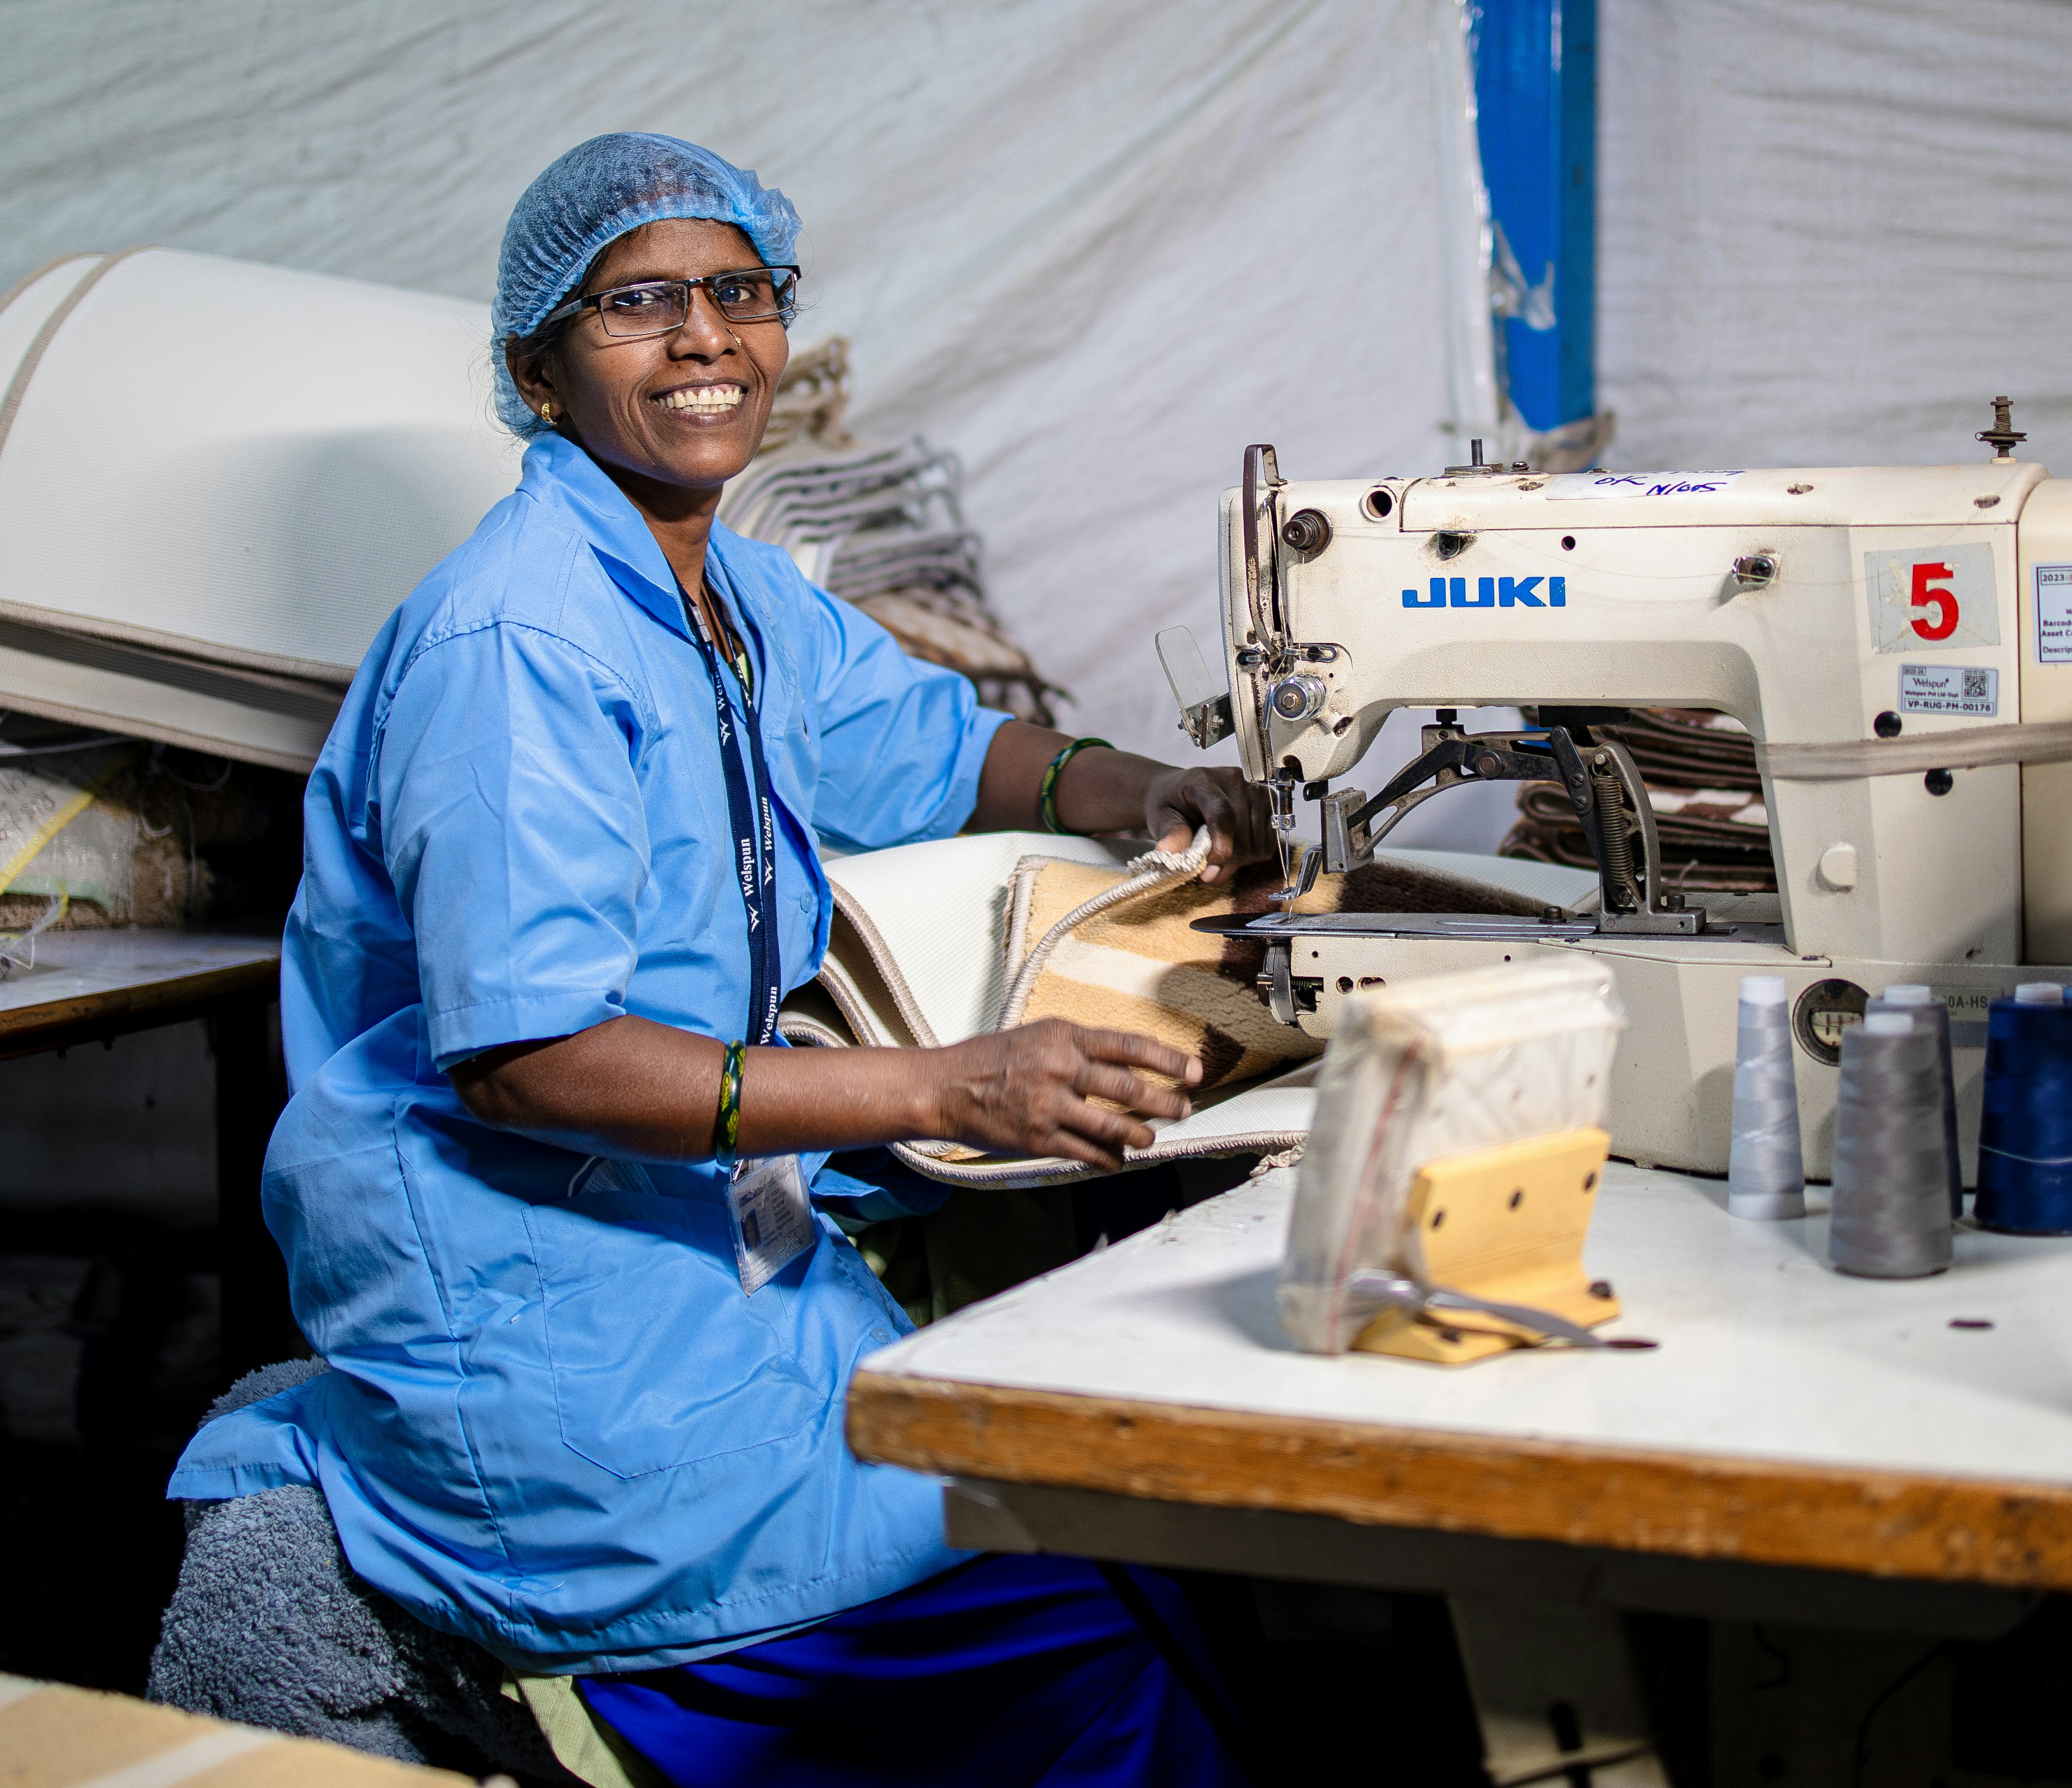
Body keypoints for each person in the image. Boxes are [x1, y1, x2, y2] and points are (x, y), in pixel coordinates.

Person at [167, 134, 1270, 1786]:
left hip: (712, 1256)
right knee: (1090, 1618)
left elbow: (936, 746)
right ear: (537, 371)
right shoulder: (517, 642)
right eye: (640, 303)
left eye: (739, 291)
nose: (705, 336)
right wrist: (950, 1088)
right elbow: (533, 1058)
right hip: (552, 1315)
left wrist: (1142, 787)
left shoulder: (730, 594)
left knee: (1122, 1560)